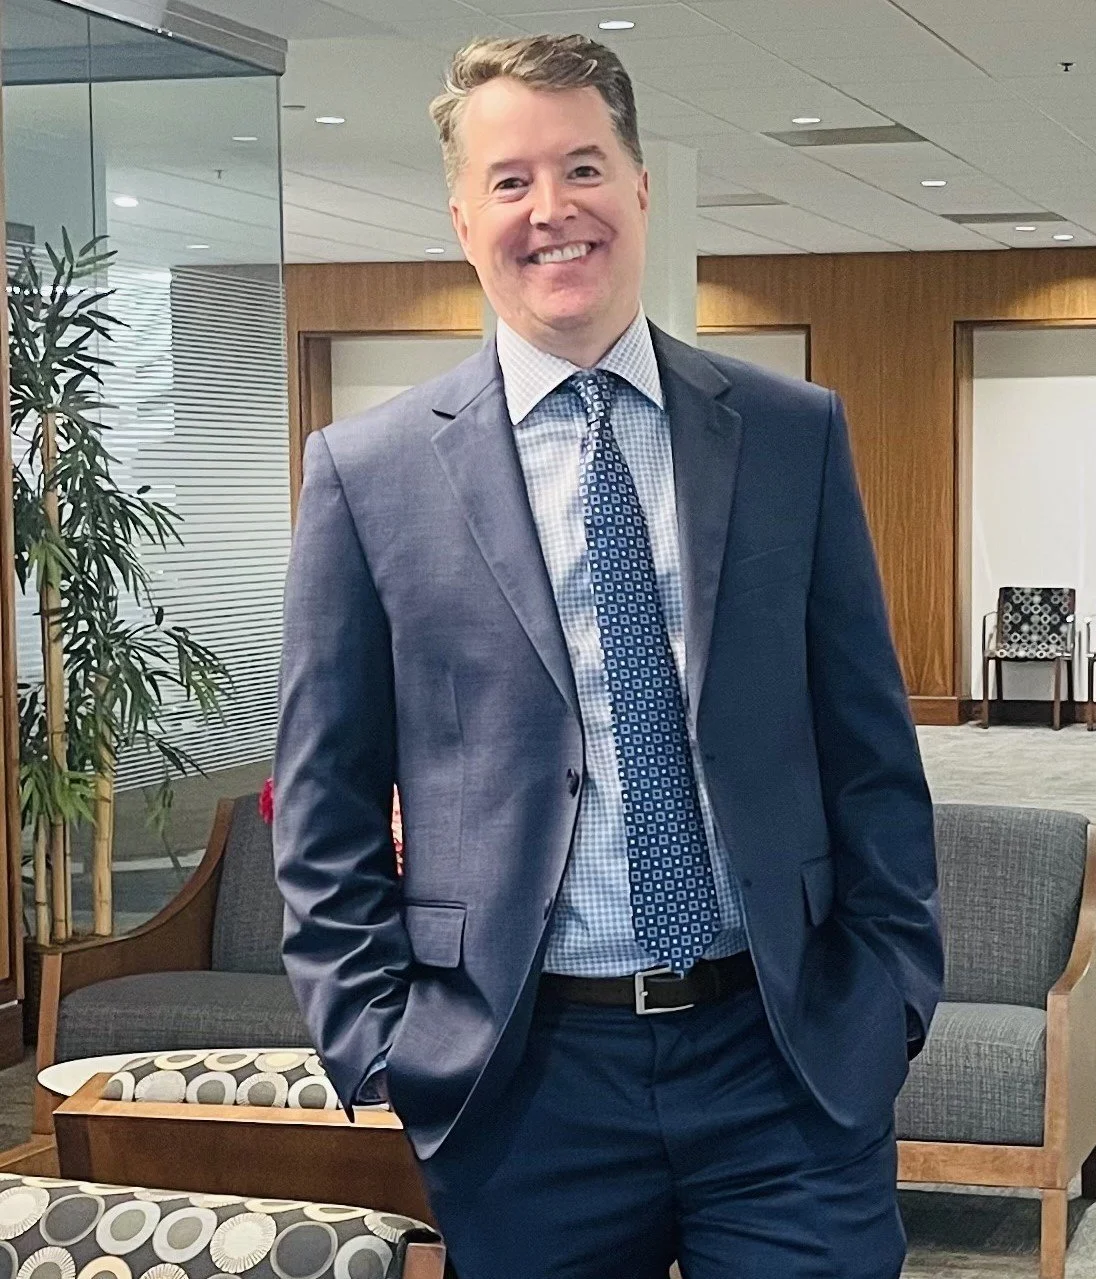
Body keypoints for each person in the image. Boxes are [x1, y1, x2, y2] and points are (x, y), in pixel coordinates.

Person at [273, 32, 943, 1279]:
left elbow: (868, 746)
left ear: (641, 187)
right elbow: (323, 805)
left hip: (782, 1056)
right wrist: (379, 1042)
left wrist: (888, 993)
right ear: (464, 216)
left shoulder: (790, 434)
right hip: (523, 1084)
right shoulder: (365, 475)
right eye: (511, 180)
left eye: (581, 167)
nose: (551, 209)